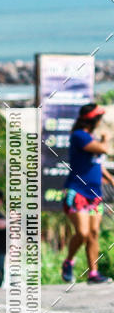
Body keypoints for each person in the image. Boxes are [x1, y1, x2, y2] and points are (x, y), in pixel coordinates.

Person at [61, 103, 113, 283]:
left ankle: (93, 273)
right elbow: (103, 149)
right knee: (82, 233)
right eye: (98, 118)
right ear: (92, 119)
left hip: (94, 194)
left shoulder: (90, 137)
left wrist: (110, 178)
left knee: (93, 233)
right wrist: (106, 138)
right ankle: (68, 261)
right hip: (77, 192)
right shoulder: (79, 136)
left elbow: (97, 162)